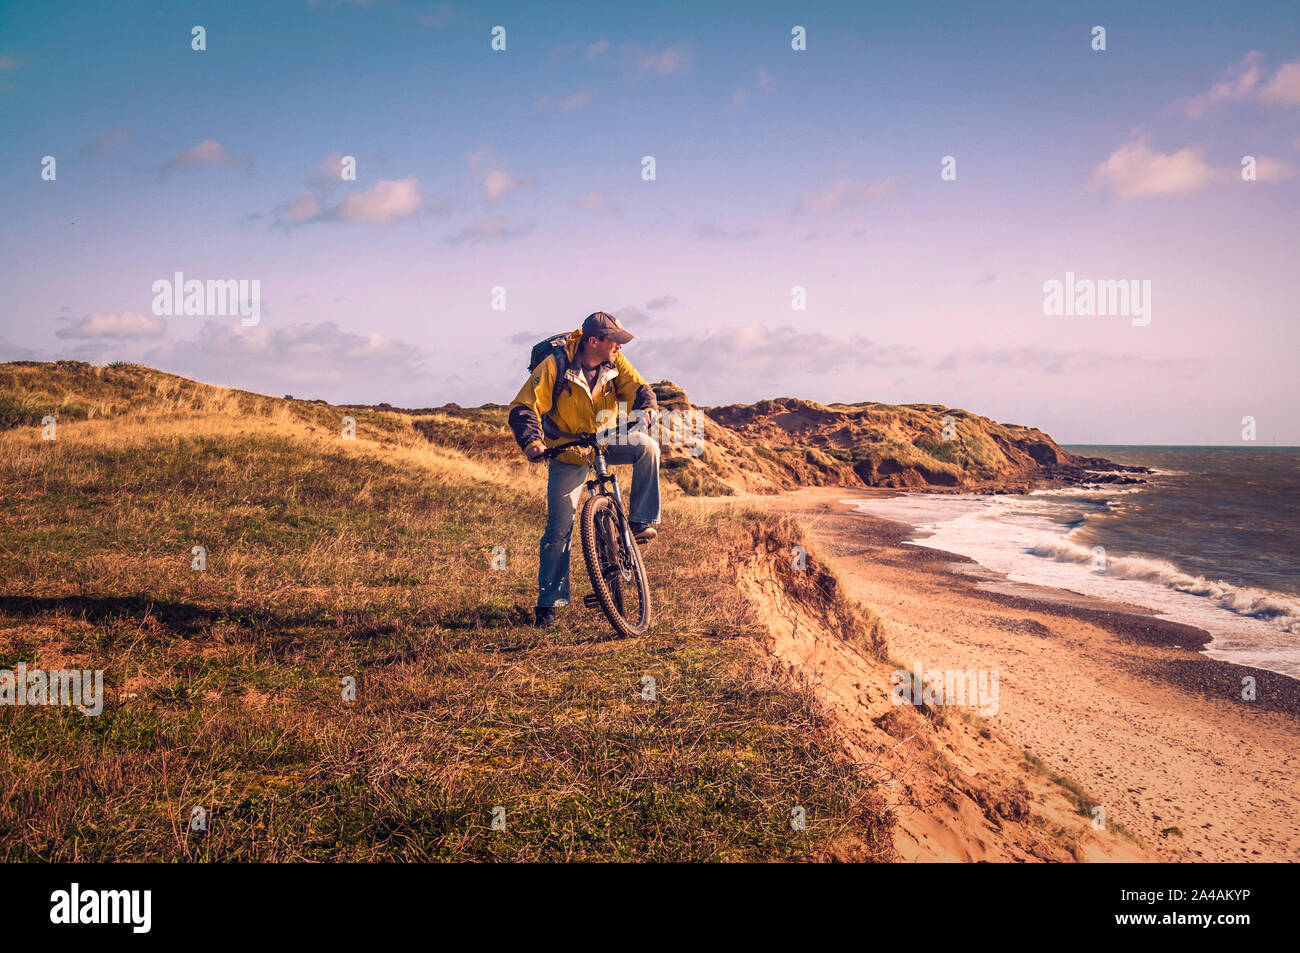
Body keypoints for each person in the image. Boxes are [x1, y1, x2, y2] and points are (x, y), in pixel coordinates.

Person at [508, 312, 660, 628]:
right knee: (559, 528)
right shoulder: (556, 365)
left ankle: (639, 522)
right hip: (567, 449)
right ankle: (548, 605)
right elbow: (524, 407)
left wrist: (646, 410)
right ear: (594, 341)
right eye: (614, 340)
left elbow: (639, 388)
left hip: (604, 438)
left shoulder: (616, 362)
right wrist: (532, 443)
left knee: (648, 447)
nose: (619, 346)